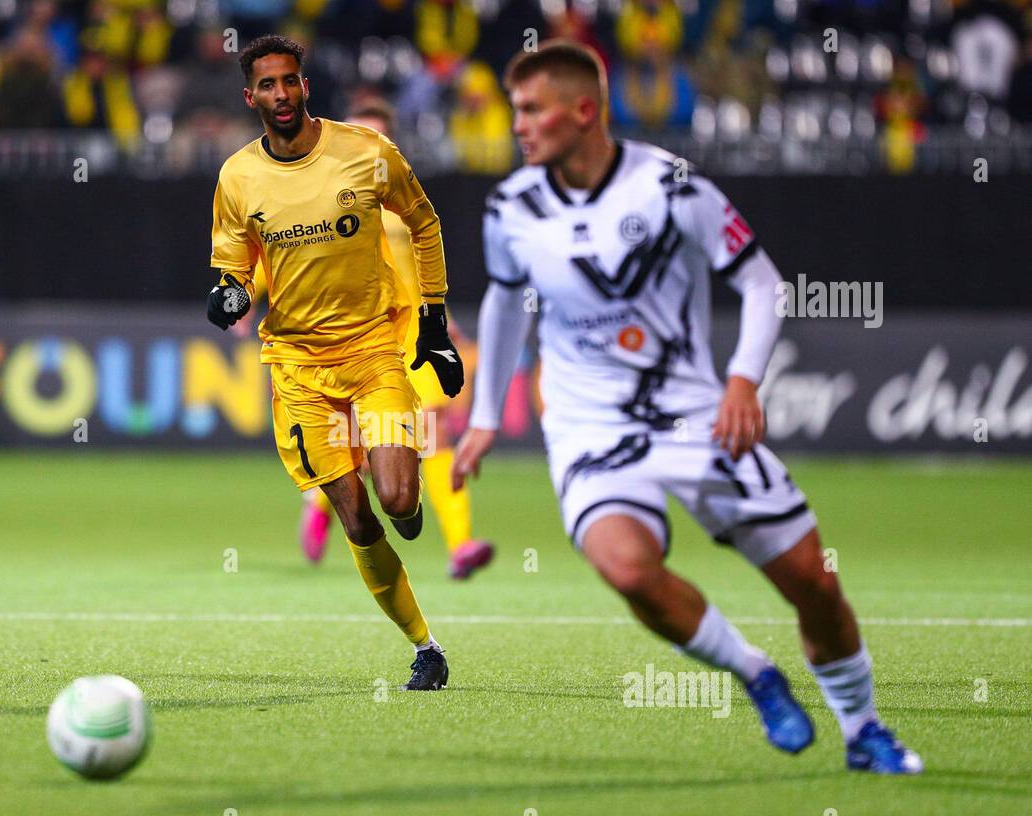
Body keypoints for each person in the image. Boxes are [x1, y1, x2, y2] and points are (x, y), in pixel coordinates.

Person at [454, 40, 922, 773]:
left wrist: (742, 380)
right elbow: (507, 305)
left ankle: (863, 729)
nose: (518, 125)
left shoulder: (672, 187)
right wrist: (485, 414)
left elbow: (765, 284)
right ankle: (757, 675)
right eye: (516, 111)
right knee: (627, 569)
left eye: (531, 109)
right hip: (588, 426)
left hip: (694, 413)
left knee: (814, 584)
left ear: (583, 111)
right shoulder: (510, 207)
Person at [207, 35, 465, 690]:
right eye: (267, 85)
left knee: (401, 502)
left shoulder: (366, 153)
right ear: (251, 97)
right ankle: (425, 646)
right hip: (296, 367)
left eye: (290, 81)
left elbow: (426, 221)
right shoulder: (238, 177)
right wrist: (228, 296)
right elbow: (232, 269)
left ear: (304, 86)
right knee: (356, 516)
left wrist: (433, 320)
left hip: (374, 350)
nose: (281, 94)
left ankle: (410, 508)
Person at [296, 97, 495, 581]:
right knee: (357, 445)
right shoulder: (317, 200)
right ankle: (323, 506)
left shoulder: (402, 201)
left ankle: (461, 544)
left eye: (378, 137)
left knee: (433, 428)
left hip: (407, 340)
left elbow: (424, 262)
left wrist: (439, 318)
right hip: (351, 339)